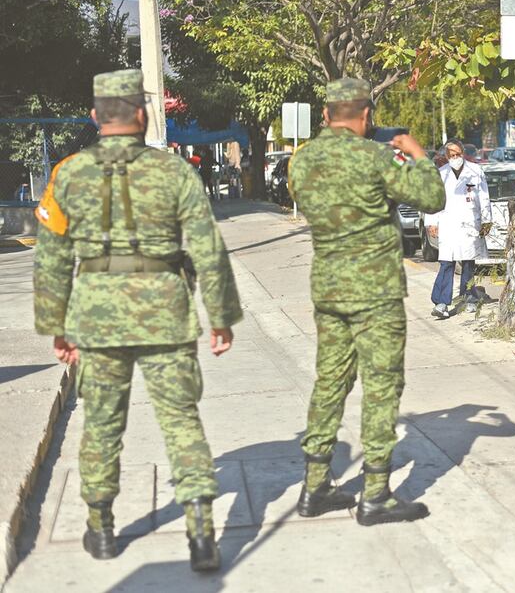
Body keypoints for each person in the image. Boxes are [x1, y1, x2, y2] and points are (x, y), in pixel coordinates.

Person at [32, 69, 242, 571]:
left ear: (94, 117)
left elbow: (52, 257)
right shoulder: (175, 173)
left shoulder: (67, 173)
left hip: (97, 319)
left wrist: (56, 326)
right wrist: (222, 318)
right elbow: (208, 248)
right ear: (143, 116)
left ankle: (101, 528)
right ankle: (201, 535)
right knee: (182, 421)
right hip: (166, 313)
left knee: (102, 422)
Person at [288, 78, 445, 525]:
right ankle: (376, 492)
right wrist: (416, 154)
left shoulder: (303, 163)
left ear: (324, 116)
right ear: (366, 116)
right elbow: (432, 198)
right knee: (381, 385)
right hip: (374, 292)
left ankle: (314, 485)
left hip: (329, 288)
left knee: (330, 382)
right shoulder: (377, 157)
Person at [424, 140, 492, 318]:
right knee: (447, 263)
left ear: (463, 152)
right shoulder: (441, 174)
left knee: (468, 262)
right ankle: (441, 303)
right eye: (451, 155)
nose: (455, 158)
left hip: (470, 223)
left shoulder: (476, 171)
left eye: (457, 154)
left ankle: (469, 296)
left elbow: (484, 197)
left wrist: (486, 220)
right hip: (448, 224)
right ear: (446, 156)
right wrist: (431, 222)